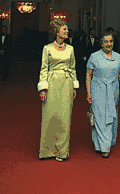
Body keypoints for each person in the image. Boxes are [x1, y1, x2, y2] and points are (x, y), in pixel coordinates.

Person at [37, 19, 79, 162]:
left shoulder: (70, 49)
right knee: (50, 116)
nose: (67, 31)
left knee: (64, 118)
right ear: (56, 31)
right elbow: (43, 69)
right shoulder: (47, 48)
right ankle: (47, 151)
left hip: (66, 84)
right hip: (52, 83)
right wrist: (42, 89)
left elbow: (73, 68)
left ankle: (61, 151)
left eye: (67, 29)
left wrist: (74, 86)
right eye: (64, 29)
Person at [86, 32, 120, 158]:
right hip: (97, 89)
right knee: (99, 116)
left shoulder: (118, 57)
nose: (109, 44)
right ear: (101, 43)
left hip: (113, 90)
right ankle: (104, 147)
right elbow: (88, 75)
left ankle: (103, 143)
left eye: (111, 41)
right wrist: (88, 92)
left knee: (110, 115)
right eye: (106, 42)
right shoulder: (94, 56)